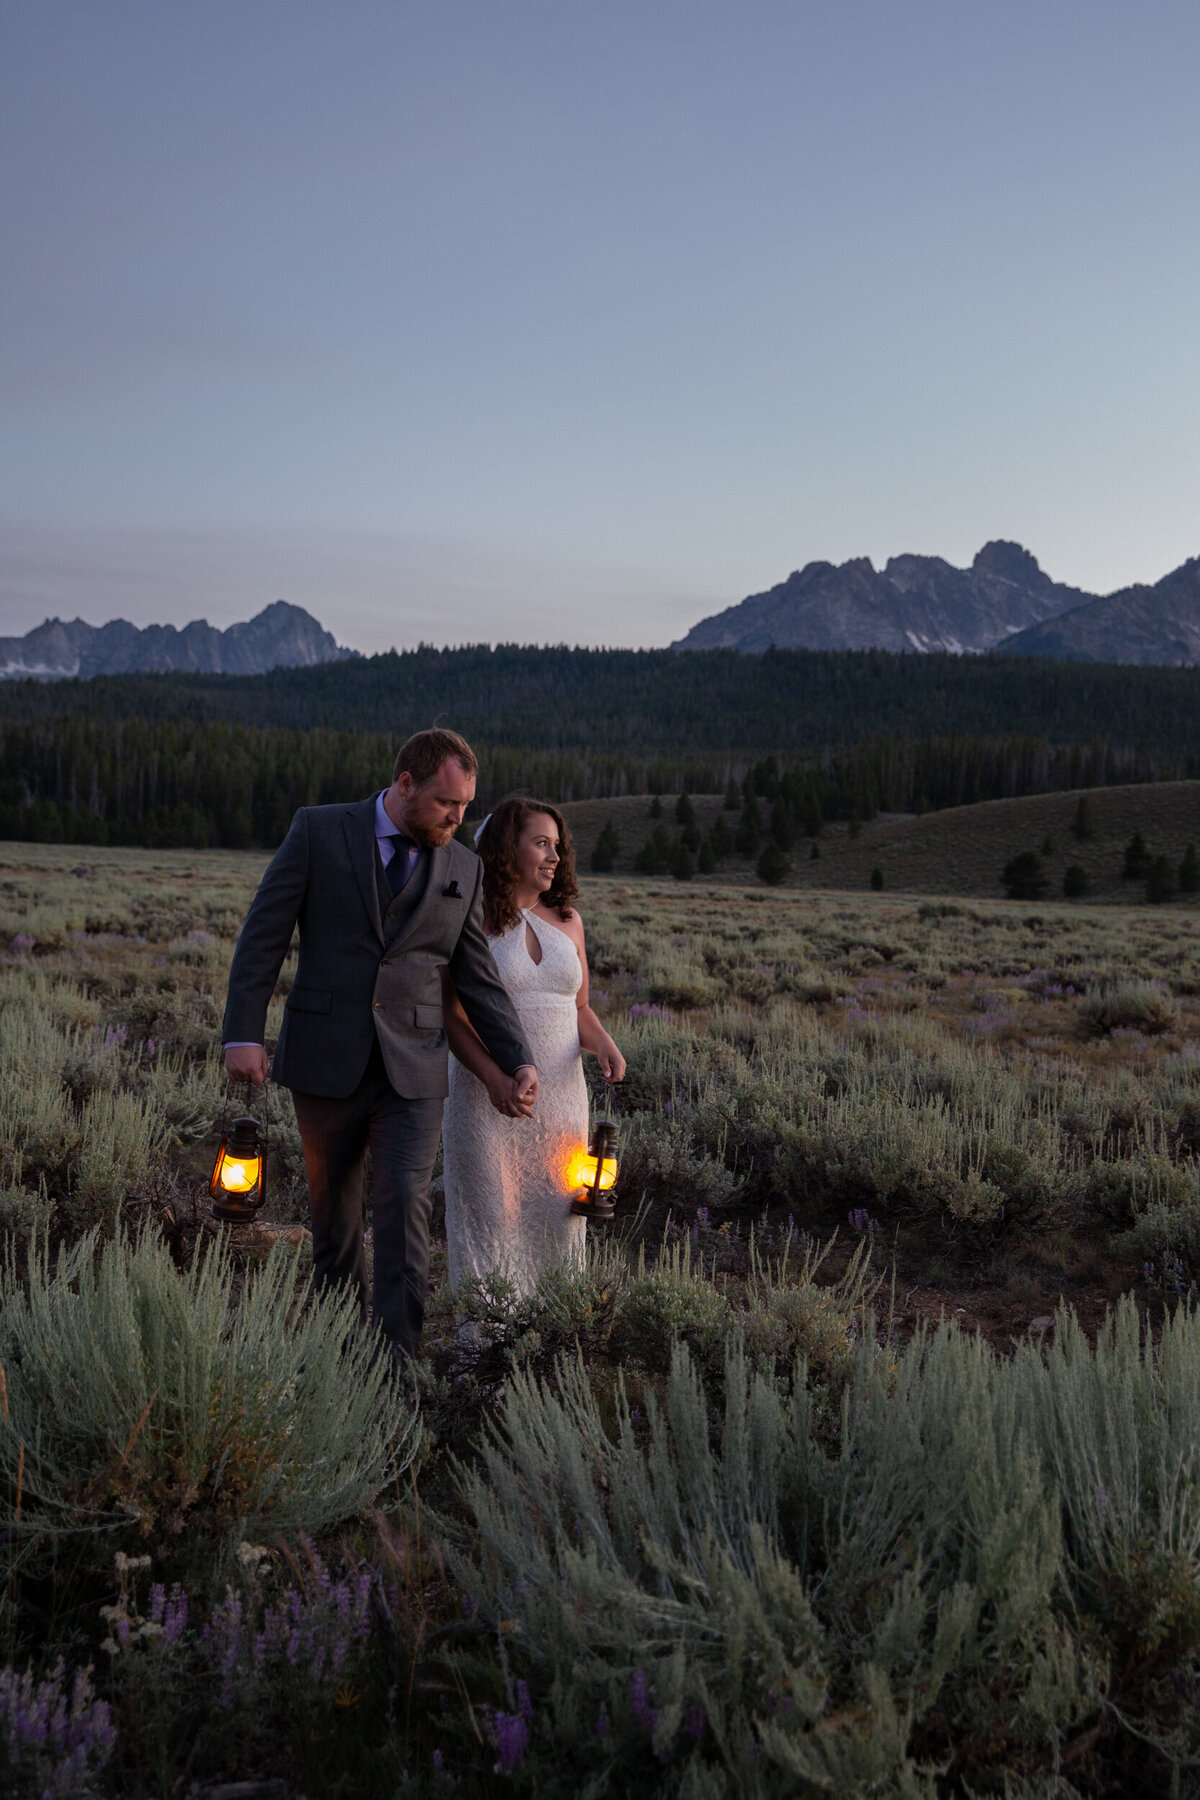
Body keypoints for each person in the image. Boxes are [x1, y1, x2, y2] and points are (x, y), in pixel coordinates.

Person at [221, 728, 538, 1359]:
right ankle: (343, 1363)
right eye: (447, 803)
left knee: (403, 1213)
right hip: (324, 1058)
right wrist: (243, 1034)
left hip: (415, 1069)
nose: (458, 818)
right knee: (335, 1224)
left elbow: (477, 978)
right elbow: (264, 935)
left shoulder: (463, 868)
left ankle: (398, 1372)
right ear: (405, 785)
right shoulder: (317, 830)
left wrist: (518, 1057)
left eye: (466, 806)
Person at [440, 796, 626, 1297]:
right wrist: (494, 1078)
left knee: (558, 1223)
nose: (554, 857)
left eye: (558, 847)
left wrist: (605, 1044)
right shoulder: (470, 916)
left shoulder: (569, 920)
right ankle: (485, 1358)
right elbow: (452, 1015)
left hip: (563, 1100)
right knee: (490, 1223)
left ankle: (550, 1352)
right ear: (507, 848)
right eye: (541, 843)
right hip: (486, 1097)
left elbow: (578, 1007)